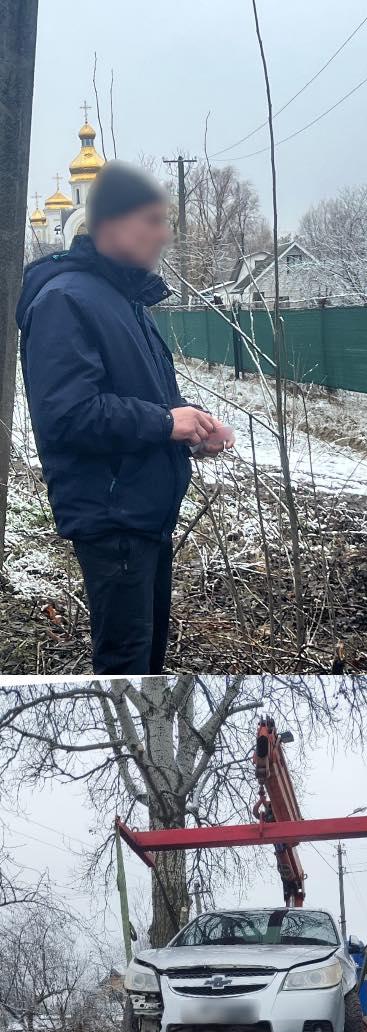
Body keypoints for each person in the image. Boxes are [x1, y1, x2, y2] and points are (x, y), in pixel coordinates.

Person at [16, 161, 235, 674]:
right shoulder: (65, 300)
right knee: (126, 666)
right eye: (153, 221)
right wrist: (165, 424)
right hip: (112, 516)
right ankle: (138, 755)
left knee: (148, 660)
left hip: (143, 509)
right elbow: (67, 415)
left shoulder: (120, 299)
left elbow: (140, 397)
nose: (164, 235)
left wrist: (193, 426)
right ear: (112, 224)